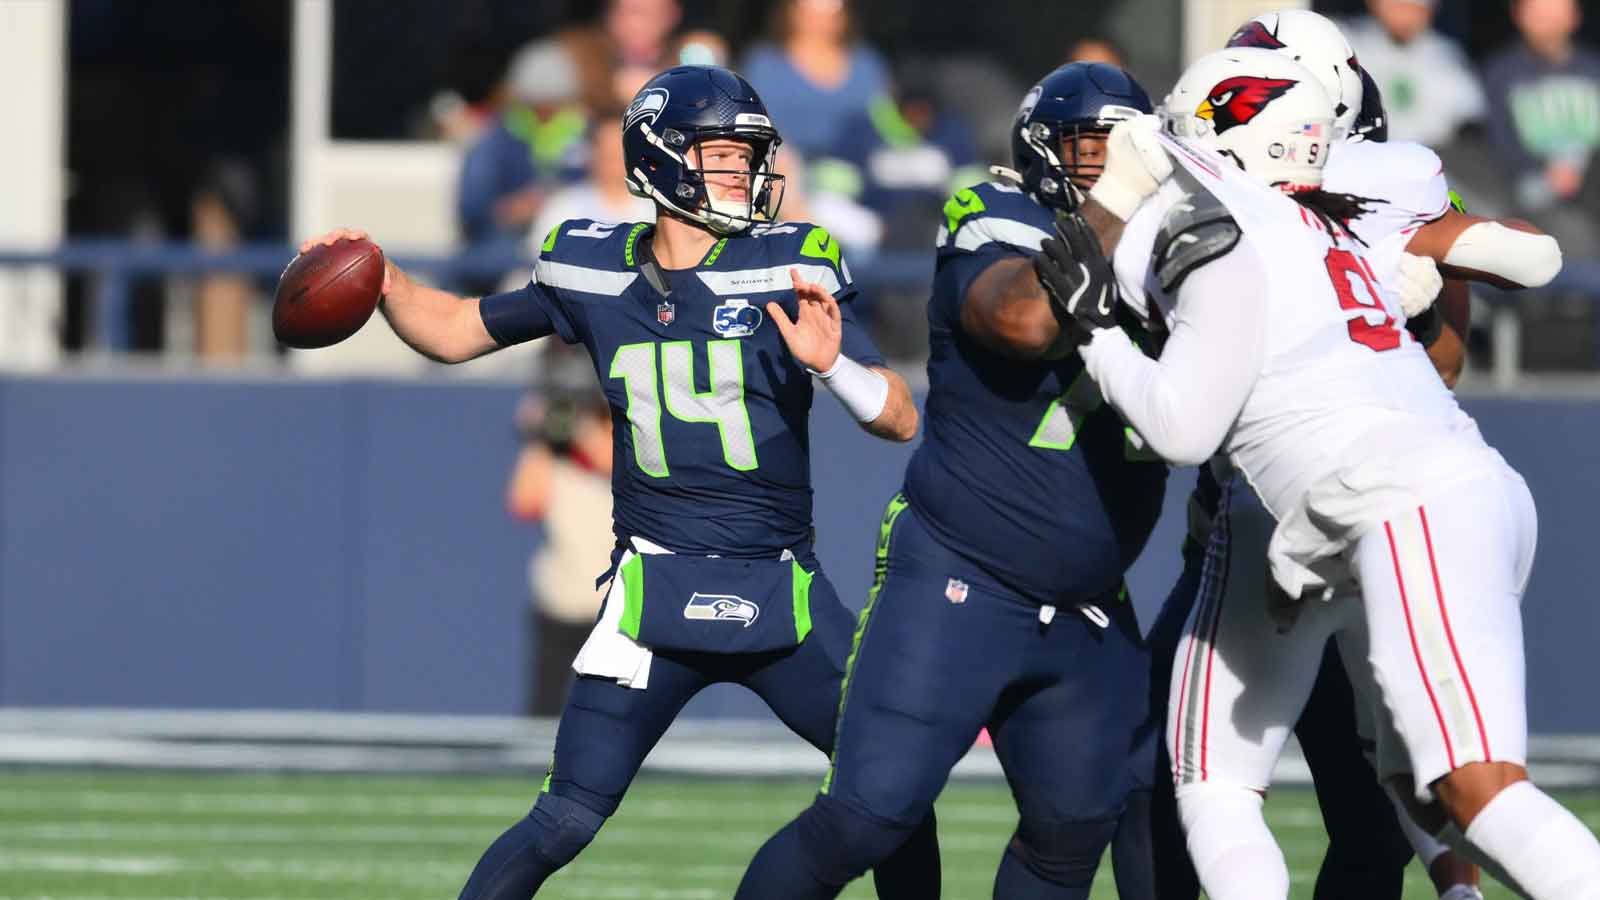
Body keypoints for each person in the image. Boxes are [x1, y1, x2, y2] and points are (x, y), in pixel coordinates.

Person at [300, 64, 937, 898]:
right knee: (564, 818)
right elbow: (457, 330)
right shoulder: (589, 268)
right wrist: (384, 281)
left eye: (749, 154)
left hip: (779, 587)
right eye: (722, 154)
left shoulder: (792, 262)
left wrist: (835, 368)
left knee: (892, 797)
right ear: (663, 159)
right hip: (652, 595)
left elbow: (899, 417)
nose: (744, 172)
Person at [1042, 44, 1600, 900]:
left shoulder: (1202, 222)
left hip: (1388, 503)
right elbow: (1513, 262)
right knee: (1226, 782)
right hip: (1353, 508)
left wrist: (1097, 330)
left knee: (1473, 794)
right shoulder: (1339, 213)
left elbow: (1181, 428)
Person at [733, 62, 1170, 900]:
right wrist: (1126, 205)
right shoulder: (995, 211)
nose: (1111, 165)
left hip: (1089, 603)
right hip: (962, 574)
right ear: (1045, 150)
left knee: (1073, 834)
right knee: (868, 815)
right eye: (1092, 148)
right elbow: (1022, 319)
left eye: (1127, 148)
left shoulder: (1178, 240)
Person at [505, 353, 616, 717]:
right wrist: (540, 435)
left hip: (613, 606)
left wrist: (583, 426)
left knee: (612, 713)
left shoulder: (619, 441)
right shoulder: (554, 457)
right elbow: (523, 501)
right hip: (560, 602)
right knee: (545, 708)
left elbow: (610, 462)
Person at [1483, 0, 1600, 259]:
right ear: (1518, 15)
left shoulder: (1595, 70)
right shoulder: (1501, 73)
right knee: (1572, 233)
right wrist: (1547, 175)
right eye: (1538, 12)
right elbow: (1499, 145)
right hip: (1532, 190)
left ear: (1574, 16)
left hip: (1592, 185)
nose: (1547, 22)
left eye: (1556, 11)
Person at [741, 0, 890, 161]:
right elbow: (753, 126)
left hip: (858, 167)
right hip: (783, 166)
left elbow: (886, 123)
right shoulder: (764, 63)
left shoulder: (867, 64)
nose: (818, 14)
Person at [1342, 0, 1484, 147]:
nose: (1404, 15)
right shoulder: (1346, 44)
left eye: (1413, 8)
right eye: (1396, 6)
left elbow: (1470, 120)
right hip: (1362, 157)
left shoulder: (1447, 57)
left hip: (1431, 159)